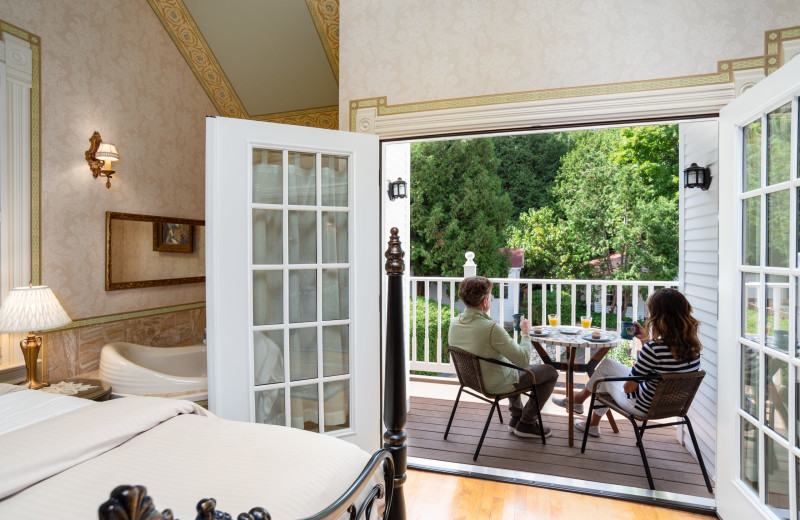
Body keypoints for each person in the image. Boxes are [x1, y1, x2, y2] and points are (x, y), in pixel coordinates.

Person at [553, 288, 702, 437]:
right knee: (607, 365)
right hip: (672, 405)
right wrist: (645, 340)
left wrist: (644, 356)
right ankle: (589, 420)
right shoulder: (694, 348)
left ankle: (580, 403)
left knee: (603, 379)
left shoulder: (654, 349)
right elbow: (662, 366)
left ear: (658, 317)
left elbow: (628, 388)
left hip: (642, 406)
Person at [449, 276, 558, 438]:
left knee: (509, 364)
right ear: (485, 301)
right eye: (491, 296)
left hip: (471, 381)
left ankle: (516, 417)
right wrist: (526, 334)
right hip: (495, 385)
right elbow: (523, 360)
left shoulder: (454, 322)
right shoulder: (491, 328)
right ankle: (527, 422)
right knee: (550, 372)